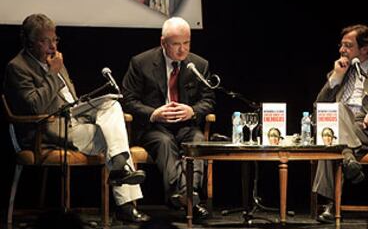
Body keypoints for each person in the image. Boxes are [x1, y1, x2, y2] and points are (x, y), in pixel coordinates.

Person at [3, 14, 150, 224]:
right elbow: (35, 106)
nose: (52, 46)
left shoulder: (56, 62)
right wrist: (52, 74)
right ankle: (125, 201)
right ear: (29, 42)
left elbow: (69, 95)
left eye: (54, 40)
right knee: (112, 138)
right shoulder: (17, 67)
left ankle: (119, 169)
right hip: (46, 126)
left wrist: (82, 105)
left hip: (73, 115)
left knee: (111, 103)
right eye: (45, 41)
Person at [122, 17, 215, 221]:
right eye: (176, 44)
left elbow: (208, 99)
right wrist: (153, 113)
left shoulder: (199, 64)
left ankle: (185, 195)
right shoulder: (141, 63)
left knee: (197, 142)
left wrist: (192, 111)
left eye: (187, 43)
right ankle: (187, 198)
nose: (183, 50)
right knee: (164, 143)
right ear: (163, 43)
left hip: (186, 126)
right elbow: (128, 100)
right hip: (153, 127)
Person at [312, 24, 368, 223]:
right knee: (333, 118)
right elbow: (319, 106)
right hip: (339, 125)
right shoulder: (339, 72)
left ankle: (330, 203)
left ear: (364, 48)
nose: (341, 50)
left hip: (367, 128)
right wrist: (336, 77)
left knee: (330, 134)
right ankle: (347, 158)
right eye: (341, 45)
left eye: (348, 45)